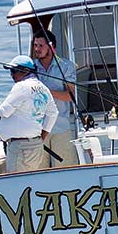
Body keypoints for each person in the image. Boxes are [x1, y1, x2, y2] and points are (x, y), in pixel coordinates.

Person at [0, 55, 58, 173]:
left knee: (18, 182)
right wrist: (42, 136)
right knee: (30, 180)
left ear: (26, 71)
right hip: (36, 145)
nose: (11, 74)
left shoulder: (21, 86)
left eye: (13, 71)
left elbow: (4, 111)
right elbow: (53, 113)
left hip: (20, 147)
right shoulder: (43, 88)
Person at [31, 30, 78, 167]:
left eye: (40, 46)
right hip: (37, 131)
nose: (37, 49)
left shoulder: (66, 66)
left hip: (61, 128)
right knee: (38, 171)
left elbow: (70, 96)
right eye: (35, 45)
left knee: (65, 169)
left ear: (51, 47)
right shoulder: (30, 67)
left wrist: (45, 92)